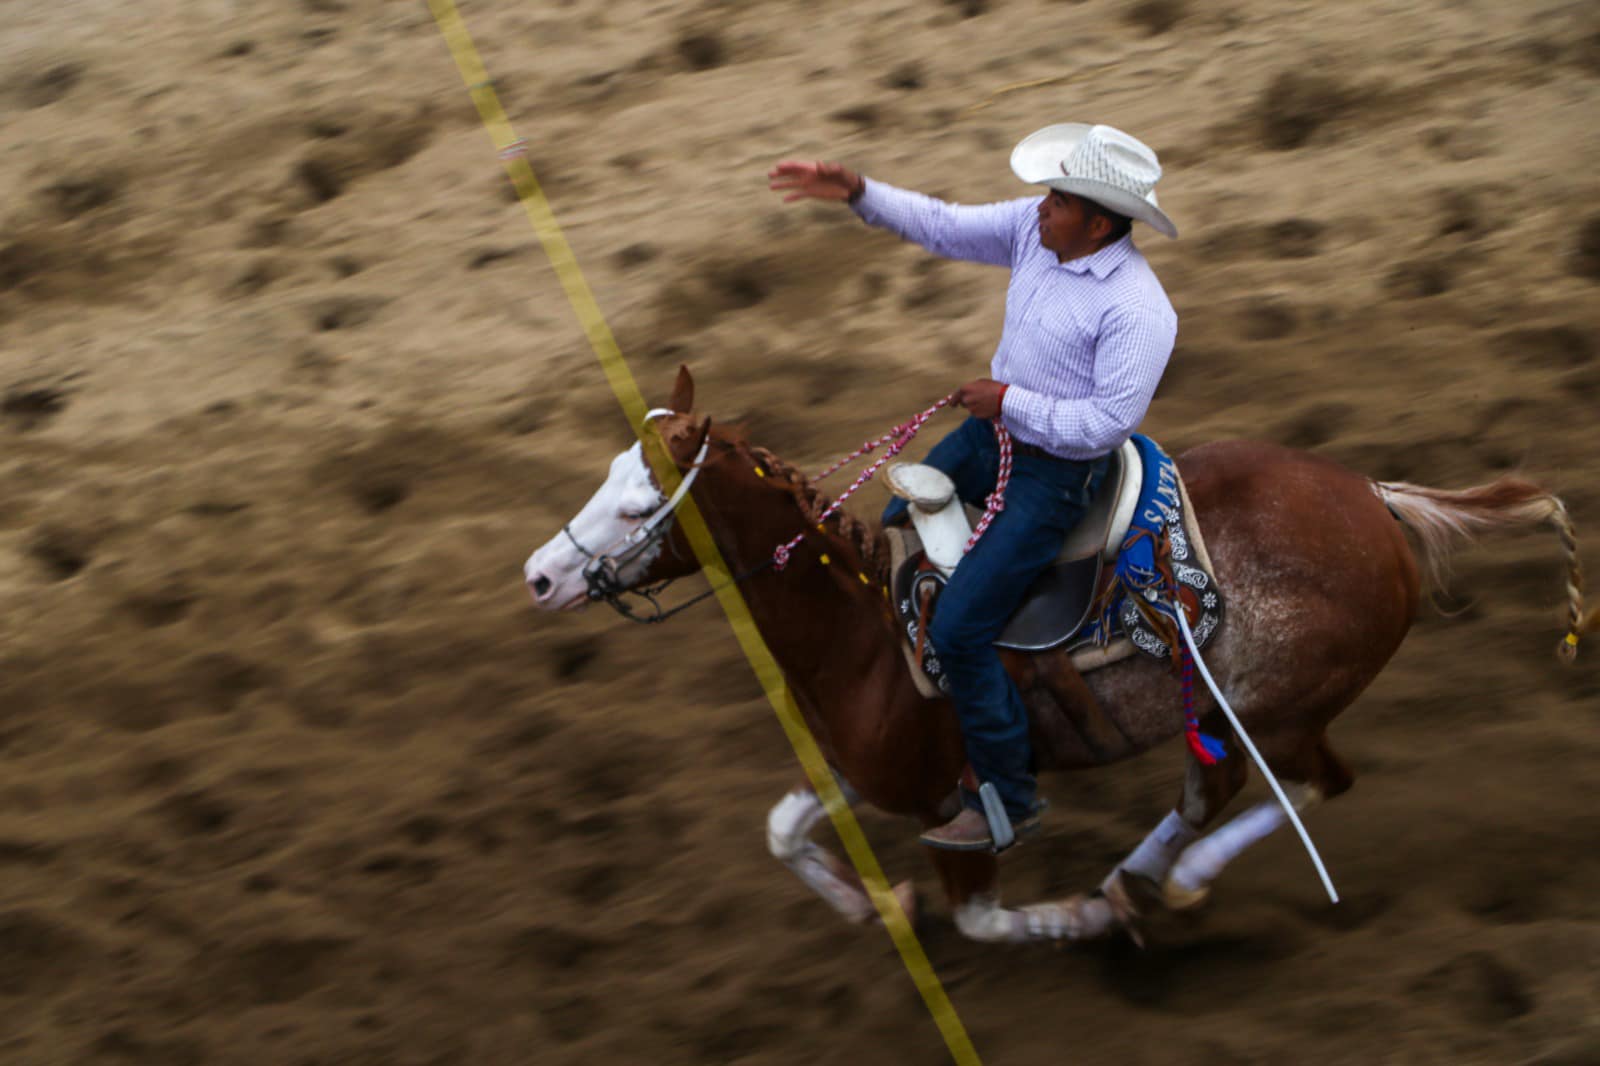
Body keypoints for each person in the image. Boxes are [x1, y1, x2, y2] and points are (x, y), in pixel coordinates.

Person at [768, 123, 1179, 851]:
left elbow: (1107, 424)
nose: (1040, 206)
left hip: (1055, 479)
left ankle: (1010, 797)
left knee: (960, 630)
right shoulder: (1035, 231)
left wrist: (1009, 404)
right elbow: (946, 225)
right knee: (895, 521)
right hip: (994, 437)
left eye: (1057, 199)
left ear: (1100, 222)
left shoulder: (1139, 311)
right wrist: (859, 192)